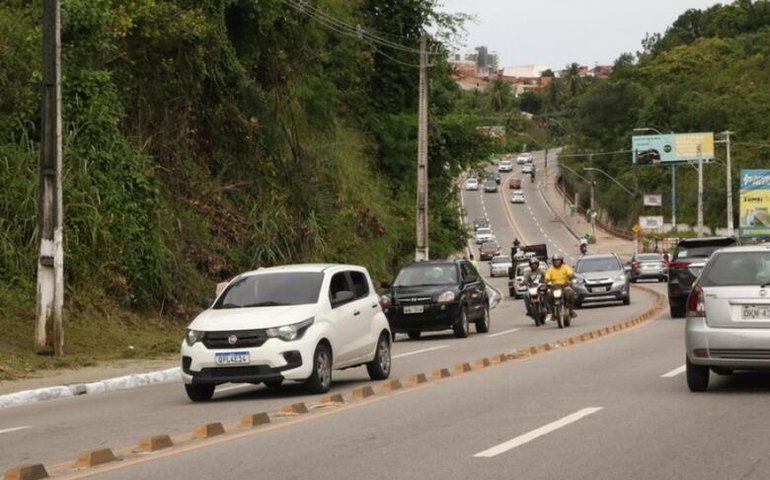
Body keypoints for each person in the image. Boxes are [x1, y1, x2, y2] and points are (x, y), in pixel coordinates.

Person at [544, 254, 576, 321]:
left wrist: (571, 277)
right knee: (548, 295)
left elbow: (570, 274)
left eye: (558, 260)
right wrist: (546, 282)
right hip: (554, 287)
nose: (556, 262)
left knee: (571, 293)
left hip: (564, 286)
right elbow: (547, 278)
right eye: (555, 260)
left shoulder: (565, 267)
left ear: (561, 261)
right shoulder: (550, 269)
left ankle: (571, 310)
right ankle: (553, 313)